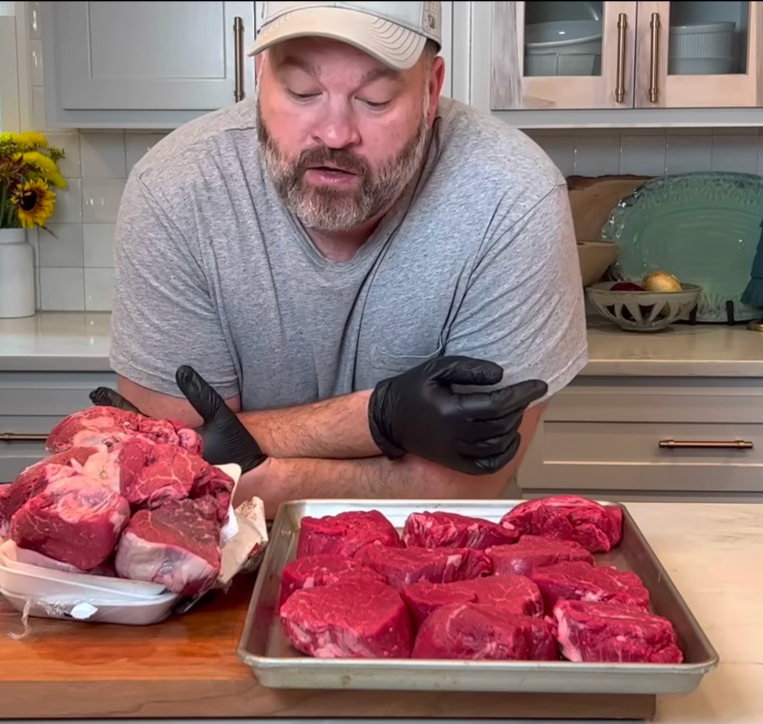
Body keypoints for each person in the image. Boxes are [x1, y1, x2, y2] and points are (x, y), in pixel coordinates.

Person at [107, 0, 588, 513]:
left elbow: (464, 485)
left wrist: (266, 475)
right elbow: (168, 474)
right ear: (260, 76)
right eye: (302, 92)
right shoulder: (175, 190)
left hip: (440, 557)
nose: (335, 134)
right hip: (220, 560)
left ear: (431, 90)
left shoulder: (511, 196)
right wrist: (375, 418)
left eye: (375, 98)